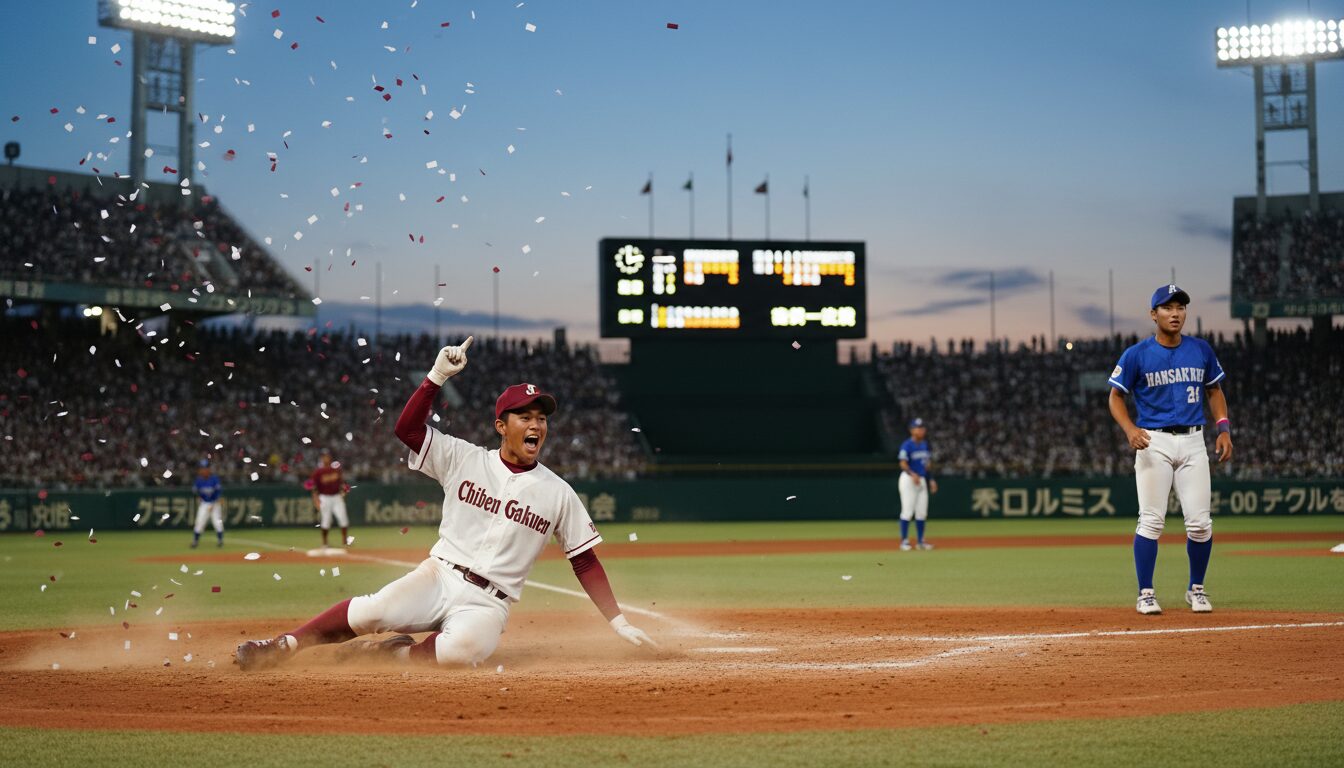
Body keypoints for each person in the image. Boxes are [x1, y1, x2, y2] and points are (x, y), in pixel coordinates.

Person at [235, 336, 655, 671]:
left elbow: (584, 561)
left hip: (490, 602)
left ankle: (393, 655)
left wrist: (617, 621)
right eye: (524, 416)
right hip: (439, 575)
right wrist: (435, 377)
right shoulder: (464, 458)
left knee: (460, 653)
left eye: (541, 418)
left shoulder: (558, 491)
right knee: (372, 610)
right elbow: (408, 430)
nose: (536, 424)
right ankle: (283, 645)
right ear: (500, 426)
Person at [1108, 284, 1232, 615]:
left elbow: (1214, 390)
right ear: (1153, 314)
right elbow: (1115, 396)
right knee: (1151, 520)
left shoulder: (1201, 349)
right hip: (1153, 441)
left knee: (1201, 524)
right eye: (1167, 308)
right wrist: (1130, 429)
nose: (1175, 313)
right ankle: (1145, 593)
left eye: (1180, 307)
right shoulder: (1136, 354)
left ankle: (1197, 589)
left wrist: (1223, 428)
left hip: (1194, 440)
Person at [897, 418, 937, 551]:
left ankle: (920, 541)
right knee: (907, 511)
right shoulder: (907, 445)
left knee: (921, 513)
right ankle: (904, 541)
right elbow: (902, 463)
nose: (921, 430)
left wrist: (931, 479)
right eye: (918, 428)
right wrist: (911, 473)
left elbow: (928, 465)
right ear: (911, 430)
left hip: (921, 480)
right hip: (908, 479)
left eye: (922, 428)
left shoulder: (925, 444)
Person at [307, 452, 349, 548]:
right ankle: (325, 543)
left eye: (327, 457)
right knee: (326, 520)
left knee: (343, 518)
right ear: (322, 459)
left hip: (337, 497)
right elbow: (313, 487)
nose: (326, 458)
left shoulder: (336, 470)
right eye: (324, 457)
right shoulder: (318, 472)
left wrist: (344, 492)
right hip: (324, 497)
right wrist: (316, 500)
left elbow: (342, 484)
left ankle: (344, 541)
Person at [191, 459, 224, 548]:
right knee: (199, 522)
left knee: (217, 523)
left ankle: (220, 541)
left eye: (205, 468)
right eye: (202, 468)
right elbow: (195, 492)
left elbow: (218, 493)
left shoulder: (214, 479)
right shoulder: (198, 480)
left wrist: (213, 504)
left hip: (215, 504)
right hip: (204, 504)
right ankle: (195, 541)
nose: (203, 470)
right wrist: (200, 499)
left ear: (209, 469)